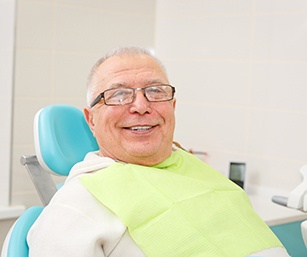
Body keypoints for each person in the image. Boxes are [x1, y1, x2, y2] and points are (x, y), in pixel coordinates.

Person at [27, 47, 289, 257]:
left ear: (172, 107)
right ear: (91, 120)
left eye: (155, 91)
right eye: (118, 94)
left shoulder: (193, 168)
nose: (140, 106)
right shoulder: (76, 205)